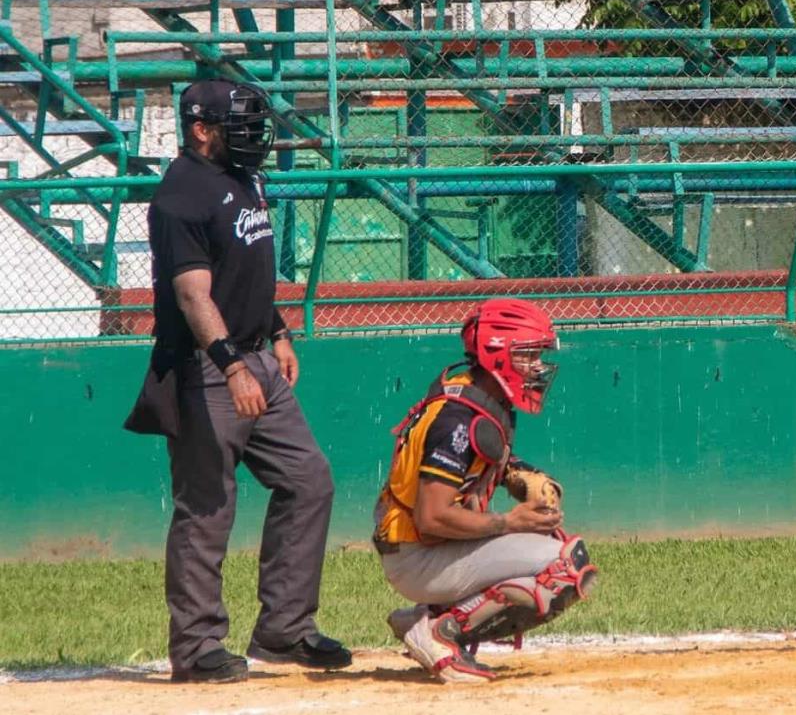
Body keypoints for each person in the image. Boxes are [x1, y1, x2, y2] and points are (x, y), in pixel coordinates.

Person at [124, 79, 351, 683]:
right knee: (207, 507)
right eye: (240, 126)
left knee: (309, 480)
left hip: (259, 357)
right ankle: (198, 648)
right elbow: (193, 294)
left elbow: (245, 266)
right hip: (208, 366)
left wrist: (276, 330)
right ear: (201, 129)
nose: (255, 138)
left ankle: (285, 628)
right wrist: (230, 364)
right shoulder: (180, 197)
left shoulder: (246, 177)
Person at [372, 298, 597, 683]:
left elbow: (474, 463)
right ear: (498, 356)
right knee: (563, 567)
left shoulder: (479, 399)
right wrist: (509, 522)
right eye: (528, 355)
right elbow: (432, 517)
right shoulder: (457, 419)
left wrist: (519, 477)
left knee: (559, 546)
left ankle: (426, 618)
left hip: (425, 549)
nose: (538, 367)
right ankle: (440, 633)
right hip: (417, 555)